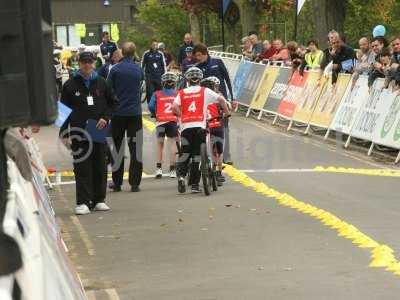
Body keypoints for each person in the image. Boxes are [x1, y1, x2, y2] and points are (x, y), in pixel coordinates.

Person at [59, 51, 117, 215]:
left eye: (90, 62)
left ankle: (99, 200)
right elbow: (62, 111)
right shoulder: (69, 85)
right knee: (82, 167)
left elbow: (113, 103)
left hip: (98, 131)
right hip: (78, 132)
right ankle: (83, 202)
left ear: (94, 64)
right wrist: (64, 134)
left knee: (100, 166)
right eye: (84, 62)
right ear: (79, 64)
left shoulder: (101, 83)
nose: (87, 65)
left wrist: (106, 118)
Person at [172, 67, 229, 193]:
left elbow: (174, 107)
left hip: (186, 126)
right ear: (200, 79)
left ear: (188, 79)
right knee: (197, 155)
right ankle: (194, 185)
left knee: (185, 152)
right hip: (200, 126)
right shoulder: (205, 91)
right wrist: (227, 112)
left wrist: (181, 115)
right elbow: (220, 99)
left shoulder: (182, 92)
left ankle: (181, 176)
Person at [107, 42, 144, 193]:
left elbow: (108, 90)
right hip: (135, 113)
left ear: (122, 52)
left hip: (118, 113)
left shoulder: (115, 70)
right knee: (136, 148)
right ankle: (135, 183)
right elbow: (141, 86)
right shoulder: (139, 70)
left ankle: (117, 182)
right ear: (134, 52)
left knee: (117, 147)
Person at [193, 43, 234, 165]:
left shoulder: (218, 62)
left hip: (221, 99)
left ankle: (226, 155)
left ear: (205, 53)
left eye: (199, 55)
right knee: (208, 128)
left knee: (224, 127)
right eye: (196, 56)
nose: (198, 58)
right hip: (207, 101)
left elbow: (227, 79)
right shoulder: (197, 67)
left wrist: (232, 97)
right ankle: (209, 155)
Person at [148, 72, 179, 179]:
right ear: (174, 83)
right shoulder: (177, 93)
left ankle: (158, 169)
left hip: (161, 120)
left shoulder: (157, 93)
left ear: (163, 83)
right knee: (172, 144)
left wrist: (155, 113)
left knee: (160, 144)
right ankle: (172, 170)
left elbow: (151, 105)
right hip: (172, 120)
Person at [201, 76, 229, 185]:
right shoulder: (219, 96)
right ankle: (218, 172)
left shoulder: (201, 96)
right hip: (216, 124)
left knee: (207, 147)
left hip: (204, 125)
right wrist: (226, 112)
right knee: (219, 150)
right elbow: (228, 106)